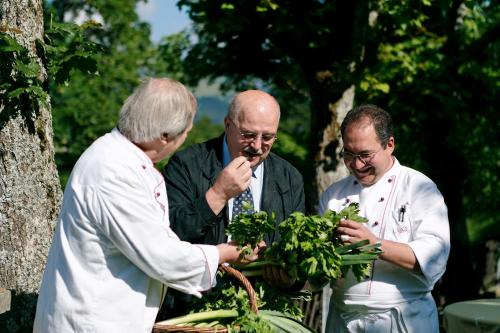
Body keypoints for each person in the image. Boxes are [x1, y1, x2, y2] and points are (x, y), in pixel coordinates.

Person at [33, 78, 262, 333]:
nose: (185, 139)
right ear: (164, 136)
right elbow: (162, 256)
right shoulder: (112, 172)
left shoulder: (120, 159)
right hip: (92, 320)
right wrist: (225, 253)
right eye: (185, 133)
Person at [161, 89, 306, 316]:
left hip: (262, 310)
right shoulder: (187, 164)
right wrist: (218, 195)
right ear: (228, 124)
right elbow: (169, 235)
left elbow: (300, 253)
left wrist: (289, 277)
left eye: (268, 137)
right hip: (193, 308)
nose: (257, 146)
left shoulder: (289, 178)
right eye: (248, 134)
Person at [319, 104, 450, 333]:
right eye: (348, 154)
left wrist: (373, 244)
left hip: (404, 319)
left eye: (365, 155)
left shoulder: (420, 188)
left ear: (389, 144)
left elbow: (434, 257)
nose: (357, 165)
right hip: (343, 319)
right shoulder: (333, 195)